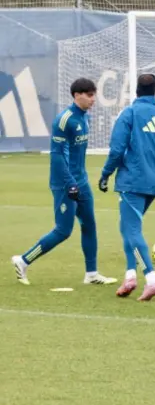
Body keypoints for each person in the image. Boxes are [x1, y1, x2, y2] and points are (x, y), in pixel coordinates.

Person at [11, 78, 116, 287]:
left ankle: (91, 274)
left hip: (81, 181)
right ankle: (23, 261)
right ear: (77, 95)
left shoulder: (85, 118)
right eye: (89, 95)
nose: (93, 99)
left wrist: (80, 180)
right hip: (64, 183)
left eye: (94, 95)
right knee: (63, 230)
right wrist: (70, 183)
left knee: (89, 225)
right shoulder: (64, 120)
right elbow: (57, 156)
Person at [99, 74, 155, 301]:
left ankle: (151, 280)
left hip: (132, 180)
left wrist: (106, 174)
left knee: (132, 230)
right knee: (126, 227)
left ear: (136, 90)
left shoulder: (130, 114)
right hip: (154, 182)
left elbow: (117, 150)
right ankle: (130, 276)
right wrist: (153, 163)